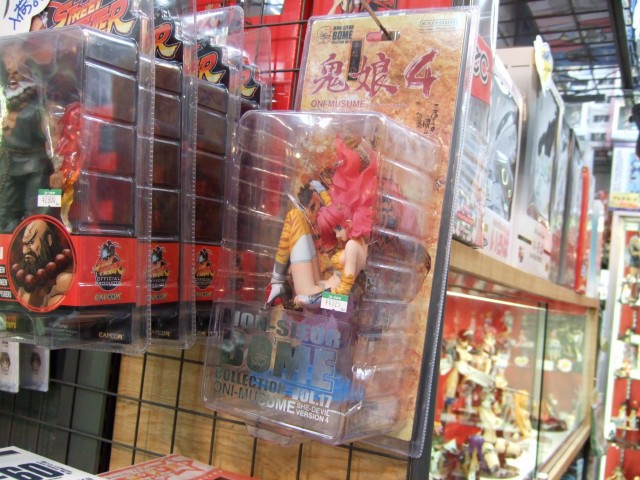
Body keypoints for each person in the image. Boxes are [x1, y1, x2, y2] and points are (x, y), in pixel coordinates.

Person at [265, 133, 377, 308]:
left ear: (349, 224)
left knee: (294, 217)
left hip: (313, 294)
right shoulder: (358, 243)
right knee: (297, 216)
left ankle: (277, 282)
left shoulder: (352, 247)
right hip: (318, 286)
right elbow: (332, 205)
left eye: (337, 228)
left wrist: (310, 301)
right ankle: (277, 282)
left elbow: (341, 300)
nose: (336, 233)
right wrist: (316, 184)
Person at [0, 50, 54, 232]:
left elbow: (51, 138)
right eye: (9, 73)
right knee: (5, 211)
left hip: (36, 167)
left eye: (17, 72)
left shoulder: (38, 108)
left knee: (37, 212)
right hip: (9, 165)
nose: (12, 77)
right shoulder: (5, 107)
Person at [11, 219, 73, 309]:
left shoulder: (64, 280)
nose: (25, 251)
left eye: (31, 242)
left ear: (49, 240)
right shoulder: (24, 287)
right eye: (24, 244)